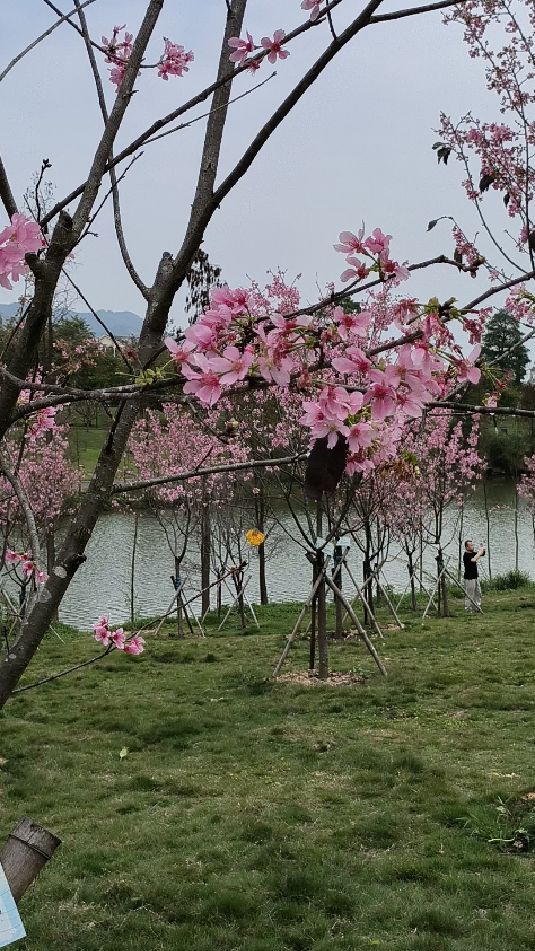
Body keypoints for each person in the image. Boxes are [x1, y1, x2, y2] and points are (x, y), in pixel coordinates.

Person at [463, 540, 485, 613]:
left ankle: (477, 607)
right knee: (469, 594)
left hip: (475, 577)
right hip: (469, 578)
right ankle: (468, 609)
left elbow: (481, 554)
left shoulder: (473, 553)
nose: (472, 546)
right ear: (467, 547)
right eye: (471, 545)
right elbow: (474, 559)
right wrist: (480, 552)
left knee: (478, 592)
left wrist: (482, 548)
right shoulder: (466, 555)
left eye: (473, 545)